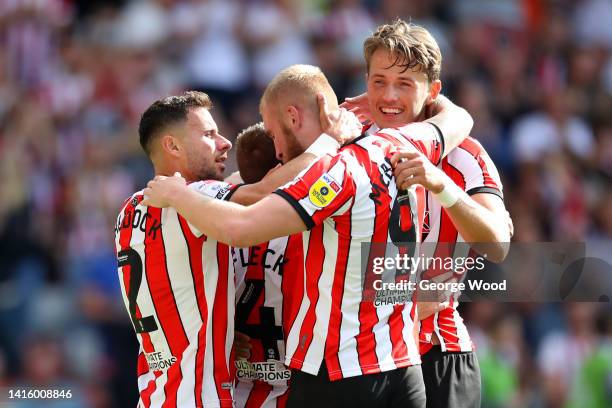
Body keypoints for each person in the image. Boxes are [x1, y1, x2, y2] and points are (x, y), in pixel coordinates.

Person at [142, 63, 469, 408]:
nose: (278, 151)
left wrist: (178, 194)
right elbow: (460, 119)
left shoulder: (329, 175)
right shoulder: (396, 145)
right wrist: (411, 100)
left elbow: (240, 226)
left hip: (336, 372)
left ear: (293, 117)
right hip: (400, 366)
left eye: (273, 132)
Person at [115, 91, 359, 407]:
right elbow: (264, 193)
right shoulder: (191, 198)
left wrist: (225, 330)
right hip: (199, 397)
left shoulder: (128, 211)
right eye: (208, 134)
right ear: (172, 146)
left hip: (155, 395)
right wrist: (331, 140)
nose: (224, 142)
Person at [342, 19, 512, 408]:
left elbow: (498, 245)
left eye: (405, 84)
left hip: (437, 351)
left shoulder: (464, 154)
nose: (389, 96)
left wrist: (441, 185)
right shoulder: (344, 146)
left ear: (433, 91)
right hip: (355, 353)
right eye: (379, 81)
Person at [232, 122, 301, 407]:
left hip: (236, 390)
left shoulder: (207, 224)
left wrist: (217, 332)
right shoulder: (312, 228)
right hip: (301, 387)